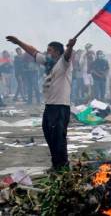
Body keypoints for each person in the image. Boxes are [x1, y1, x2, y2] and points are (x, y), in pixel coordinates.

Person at [6, 35, 76, 171]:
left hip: (60, 107)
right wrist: (19, 42)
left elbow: (67, 55)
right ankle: (56, 163)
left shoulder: (64, 63)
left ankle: (62, 166)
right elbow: (33, 52)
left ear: (57, 52)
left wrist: (70, 46)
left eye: (50, 50)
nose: (47, 52)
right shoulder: (49, 62)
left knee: (58, 137)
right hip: (50, 106)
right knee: (48, 133)